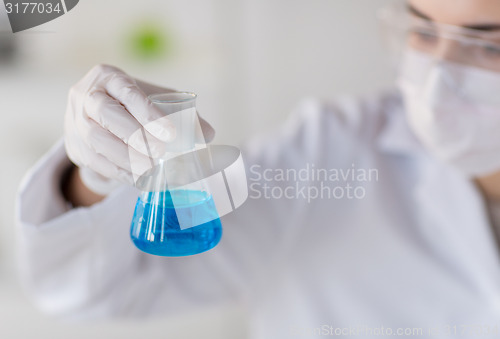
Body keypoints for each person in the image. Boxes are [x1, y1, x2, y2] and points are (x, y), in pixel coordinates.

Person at [16, 0, 500, 337]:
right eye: (423, 29)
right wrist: (95, 178)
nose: (437, 84)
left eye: (490, 47)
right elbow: (88, 291)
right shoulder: (325, 153)